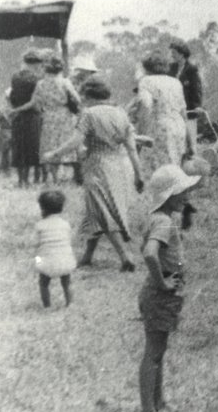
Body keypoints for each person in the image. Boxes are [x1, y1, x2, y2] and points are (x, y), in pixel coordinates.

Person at [43, 78, 144, 272]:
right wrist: (139, 175)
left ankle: (125, 257)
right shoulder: (121, 113)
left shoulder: (89, 114)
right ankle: (87, 256)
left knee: (103, 211)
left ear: (89, 96)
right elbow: (131, 147)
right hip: (120, 167)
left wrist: (54, 154)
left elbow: (75, 141)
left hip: (97, 166)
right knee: (95, 211)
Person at [137, 164, 201, 412]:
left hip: (160, 295)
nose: (186, 196)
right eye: (181, 192)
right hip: (160, 295)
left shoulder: (160, 218)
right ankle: (147, 411)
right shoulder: (163, 221)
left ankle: (158, 402)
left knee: (158, 351)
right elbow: (150, 253)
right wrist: (162, 282)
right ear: (168, 195)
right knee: (153, 352)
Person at [131, 52, 194, 172]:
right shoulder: (176, 82)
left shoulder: (146, 81)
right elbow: (183, 113)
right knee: (174, 168)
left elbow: (146, 105)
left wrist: (141, 133)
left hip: (160, 128)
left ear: (146, 67)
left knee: (157, 169)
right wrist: (191, 144)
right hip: (179, 128)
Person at [32, 56, 82, 183]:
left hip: (48, 115)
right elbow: (77, 99)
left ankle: (55, 178)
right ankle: (70, 176)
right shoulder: (65, 82)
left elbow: (36, 103)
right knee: (65, 143)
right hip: (64, 115)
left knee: (50, 145)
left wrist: (44, 110)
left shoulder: (40, 84)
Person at [34, 190, 76, 308]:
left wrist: (38, 263)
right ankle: (70, 303)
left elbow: (37, 246)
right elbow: (68, 242)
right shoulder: (65, 224)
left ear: (42, 208)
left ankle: (47, 305)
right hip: (65, 261)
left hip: (46, 263)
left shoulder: (40, 225)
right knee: (67, 282)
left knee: (43, 283)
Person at [8, 66, 42, 187]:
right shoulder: (36, 90)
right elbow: (36, 106)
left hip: (18, 119)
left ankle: (21, 180)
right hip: (33, 120)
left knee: (19, 150)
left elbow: (11, 102)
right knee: (32, 150)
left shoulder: (13, 92)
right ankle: (32, 179)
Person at [169, 40, 203, 153]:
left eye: (174, 52)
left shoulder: (192, 69)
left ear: (181, 54)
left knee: (190, 141)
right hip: (174, 110)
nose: (172, 55)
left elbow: (197, 89)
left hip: (188, 110)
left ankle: (192, 165)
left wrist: (197, 105)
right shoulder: (171, 68)